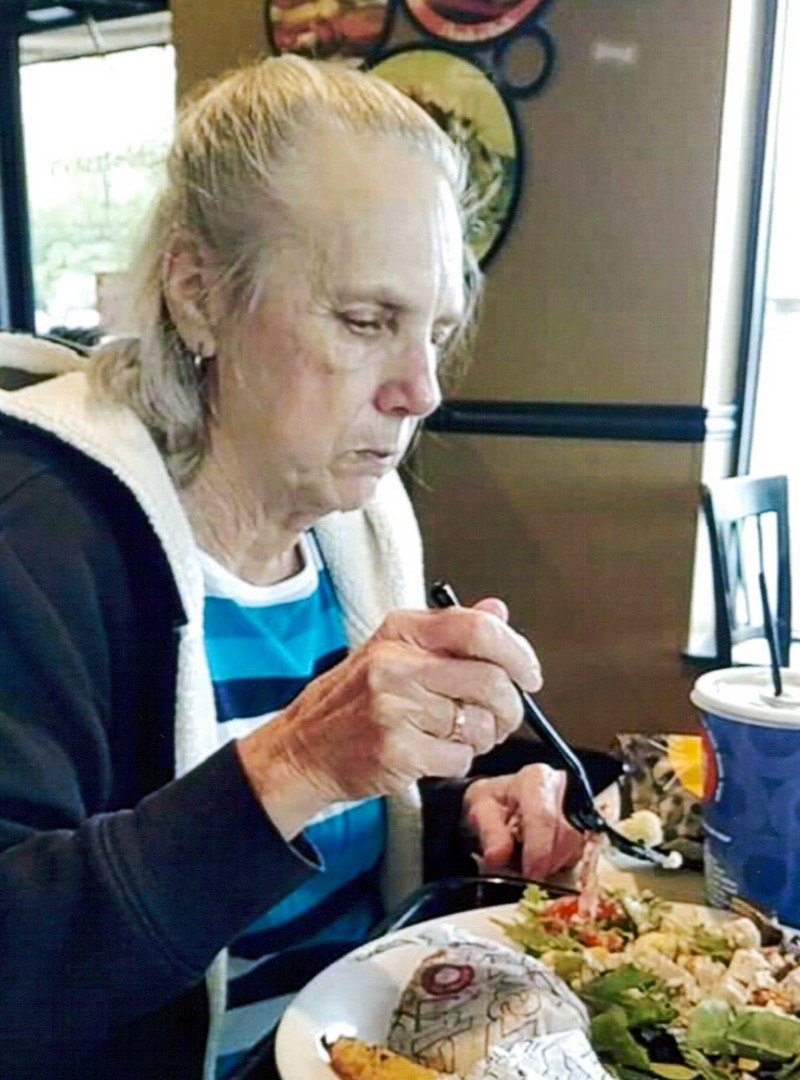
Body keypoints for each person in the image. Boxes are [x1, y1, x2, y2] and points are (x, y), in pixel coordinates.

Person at [0, 56, 600, 1080]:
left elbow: (336, 861)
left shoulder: (358, 528)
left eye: (435, 332)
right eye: (365, 322)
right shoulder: (38, 535)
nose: (420, 389)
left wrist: (467, 816)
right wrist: (294, 763)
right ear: (198, 294)